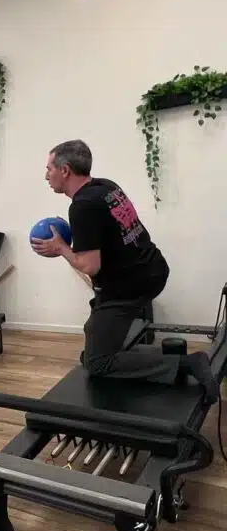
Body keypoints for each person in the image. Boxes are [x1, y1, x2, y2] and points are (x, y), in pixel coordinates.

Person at [31, 139, 219, 402]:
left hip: (128, 287)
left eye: (49, 169)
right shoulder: (106, 186)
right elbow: (109, 235)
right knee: (93, 331)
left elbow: (90, 266)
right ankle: (101, 343)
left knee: (97, 363)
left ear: (65, 170)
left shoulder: (82, 206)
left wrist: (61, 248)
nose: (46, 176)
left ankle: (189, 364)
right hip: (154, 269)